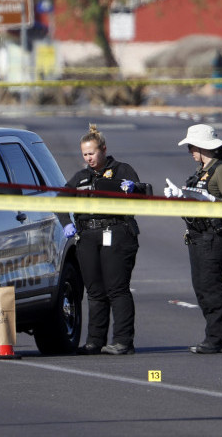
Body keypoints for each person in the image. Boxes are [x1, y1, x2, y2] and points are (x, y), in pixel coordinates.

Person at [59, 124, 143, 356]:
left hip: (116, 232)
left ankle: (123, 341)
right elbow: (59, 200)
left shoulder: (122, 170)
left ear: (103, 150)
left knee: (117, 288)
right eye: (85, 154)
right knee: (95, 291)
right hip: (87, 235)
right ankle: (95, 341)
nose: (88, 158)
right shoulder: (81, 177)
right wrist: (66, 222)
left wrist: (133, 189)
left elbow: (142, 193)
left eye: (92, 153)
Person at [164, 123, 222, 354]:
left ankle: (216, 339)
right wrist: (180, 196)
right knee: (200, 286)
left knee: (210, 285)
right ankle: (213, 336)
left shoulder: (220, 170)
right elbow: (195, 198)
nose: (190, 151)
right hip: (197, 234)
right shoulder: (201, 171)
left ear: (204, 146)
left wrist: (212, 201)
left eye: (192, 146)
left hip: (213, 234)